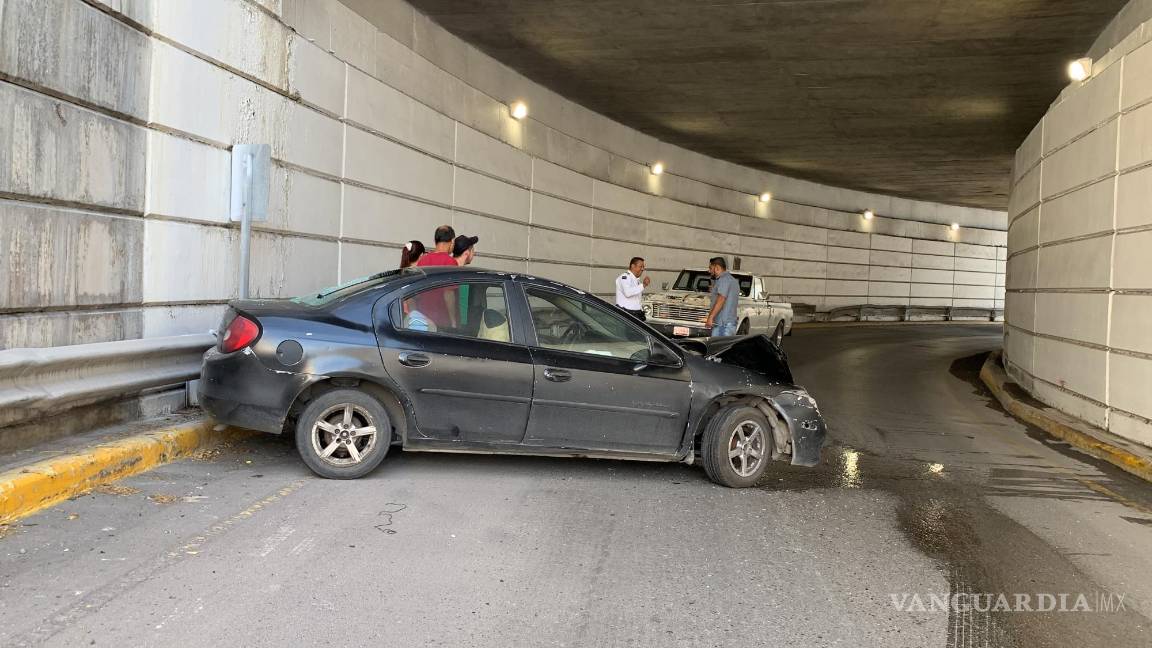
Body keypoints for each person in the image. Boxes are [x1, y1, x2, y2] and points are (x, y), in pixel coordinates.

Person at [413, 225, 459, 329]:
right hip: (442, 321)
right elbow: (449, 293)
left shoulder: (422, 261)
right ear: (452, 241)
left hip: (424, 320)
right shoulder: (450, 262)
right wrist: (453, 321)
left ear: (435, 241)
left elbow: (416, 294)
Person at [704, 256, 739, 337]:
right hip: (728, 324)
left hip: (723, 325)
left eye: (710, 268)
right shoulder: (732, 280)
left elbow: (721, 299)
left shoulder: (723, 280)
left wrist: (710, 317)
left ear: (717, 267)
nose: (709, 271)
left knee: (718, 345)